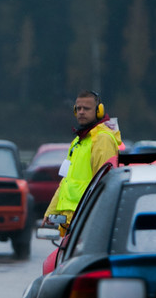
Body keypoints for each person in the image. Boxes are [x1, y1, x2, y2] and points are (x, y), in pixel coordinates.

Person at [42, 90, 121, 231]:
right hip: (73, 221)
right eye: (78, 108)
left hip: (87, 220)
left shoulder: (102, 140)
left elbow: (104, 183)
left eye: (86, 108)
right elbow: (65, 181)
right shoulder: (78, 141)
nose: (81, 112)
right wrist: (51, 211)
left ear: (99, 111)